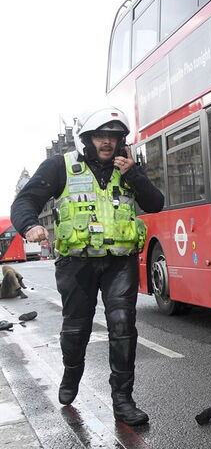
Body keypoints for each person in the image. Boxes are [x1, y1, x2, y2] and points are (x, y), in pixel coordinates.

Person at [10, 107, 164, 426]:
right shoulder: (60, 166)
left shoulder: (129, 167)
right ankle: (71, 373)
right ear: (87, 139)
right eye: (100, 136)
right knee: (76, 328)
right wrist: (29, 227)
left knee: (123, 324)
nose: (107, 142)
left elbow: (155, 203)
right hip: (76, 264)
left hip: (119, 261)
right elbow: (24, 201)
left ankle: (123, 400)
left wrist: (134, 174)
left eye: (114, 136)